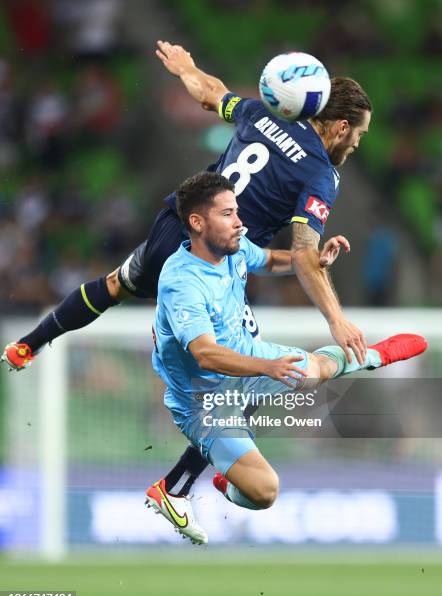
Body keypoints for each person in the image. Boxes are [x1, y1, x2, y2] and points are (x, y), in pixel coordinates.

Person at [2, 41, 372, 519]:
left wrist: (187, 67)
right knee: (253, 376)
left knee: (115, 285)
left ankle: (29, 344)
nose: (358, 143)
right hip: (212, 266)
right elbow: (302, 252)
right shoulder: (320, 174)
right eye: (358, 134)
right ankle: (175, 485)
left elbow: (210, 93)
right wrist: (337, 321)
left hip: (176, 225)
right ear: (340, 126)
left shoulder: (262, 115)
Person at [145, 171, 427, 544]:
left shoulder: (233, 246)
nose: (239, 221)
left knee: (313, 372)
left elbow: (270, 260)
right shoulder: (183, 282)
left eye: (237, 211)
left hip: (247, 356)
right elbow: (206, 354)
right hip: (203, 399)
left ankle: (373, 356)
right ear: (197, 222)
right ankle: (213, 481)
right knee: (264, 492)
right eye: (227, 214)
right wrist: (268, 367)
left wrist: (312, 260)